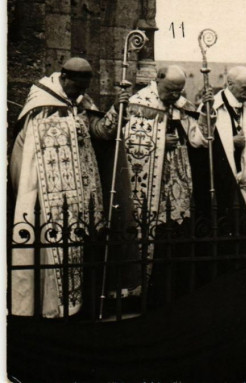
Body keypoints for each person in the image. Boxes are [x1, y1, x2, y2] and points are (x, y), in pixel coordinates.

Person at [9, 58, 124, 317]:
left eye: (84, 88)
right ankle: (50, 308)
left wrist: (118, 109)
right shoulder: (41, 103)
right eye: (76, 88)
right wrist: (73, 125)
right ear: (65, 78)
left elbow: (100, 132)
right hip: (46, 193)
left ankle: (75, 307)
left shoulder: (80, 101)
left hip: (79, 192)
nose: (80, 94)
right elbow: (35, 148)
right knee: (49, 248)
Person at [122, 65, 206, 296]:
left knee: (178, 234)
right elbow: (128, 142)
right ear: (157, 81)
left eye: (179, 90)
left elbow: (198, 140)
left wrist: (207, 113)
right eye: (171, 89)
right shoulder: (139, 103)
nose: (175, 95)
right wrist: (160, 143)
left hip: (178, 181)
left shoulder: (181, 106)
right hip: (151, 184)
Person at [201, 66, 246, 220]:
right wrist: (230, 142)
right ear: (230, 83)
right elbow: (200, 142)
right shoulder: (212, 106)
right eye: (245, 89)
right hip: (221, 179)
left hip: (245, 181)